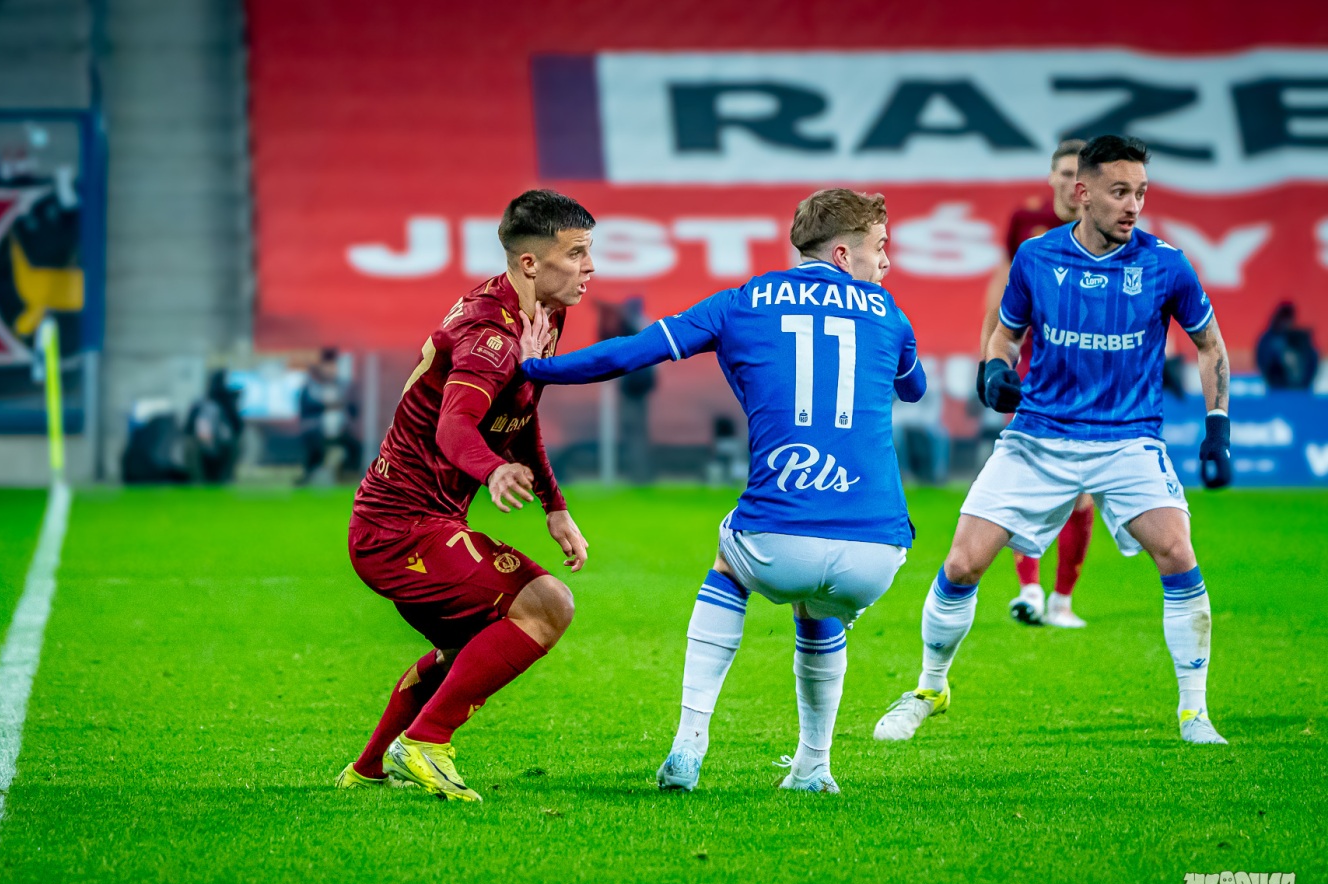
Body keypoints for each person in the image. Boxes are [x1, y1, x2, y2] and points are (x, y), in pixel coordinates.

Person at [519, 189, 927, 794]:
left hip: (778, 539)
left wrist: (537, 366)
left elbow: (632, 353)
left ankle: (689, 743)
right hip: (876, 551)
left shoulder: (742, 301)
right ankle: (814, 767)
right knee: (819, 608)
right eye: (880, 247)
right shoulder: (889, 312)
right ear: (843, 255)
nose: (886, 262)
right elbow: (914, 389)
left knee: (731, 564)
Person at [874, 135, 1234, 747]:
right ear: (1082, 192)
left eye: (1141, 192)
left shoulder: (1166, 264)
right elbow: (1004, 335)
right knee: (961, 563)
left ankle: (1194, 713)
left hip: (1127, 441)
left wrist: (1217, 426)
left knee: (1178, 553)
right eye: (1120, 192)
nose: (1133, 206)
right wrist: (995, 369)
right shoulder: (1036, 258)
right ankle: (930, 690)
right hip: (1039, 436)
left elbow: (1210, 345)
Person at [335, 190, 594, 802]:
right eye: (576, 253)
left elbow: (519, 414)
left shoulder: (539, 314)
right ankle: (426, 742)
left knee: (466, 649)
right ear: (530, 263)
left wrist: (554, 505)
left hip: (418, 521)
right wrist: (492, 471)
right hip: (401, 529)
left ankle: (370, 768)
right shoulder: (489, 336)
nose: (590, 267)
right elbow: (455, 427)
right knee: (548, 605)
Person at [978, 139, 1093, 629]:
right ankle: (1029, 590)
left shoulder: (1108, 229)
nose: (1071, 183)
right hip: (1034, 372)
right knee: (1028, 477)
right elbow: (1002, 287)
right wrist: (988, 358)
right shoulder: (1028, 225)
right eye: (1064, 173)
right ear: (1052, 177)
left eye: (1079, 174)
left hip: (1091, 378)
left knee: (1081, 492)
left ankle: (1062, 600)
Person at [295, 348, 360, 485]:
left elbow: (354, 409)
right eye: (327, 366)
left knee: (355, 442)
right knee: (313, 441)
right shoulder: (311, 386)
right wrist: (327, 405)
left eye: (333, 366)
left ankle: (349, 473)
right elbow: (305, 409)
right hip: (316, 427)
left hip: (342, 428)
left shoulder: (344, 386)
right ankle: (310, 473)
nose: (330, 369)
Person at [1255, 301, 1319, 389]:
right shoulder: (1269, 341)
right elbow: (1263, 362)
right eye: (1283, 319)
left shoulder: (1302, 341)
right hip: (1276, 387)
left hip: (1301, 389)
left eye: (1288, 320)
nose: (1286, 323)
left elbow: (1312, 362)